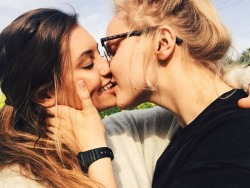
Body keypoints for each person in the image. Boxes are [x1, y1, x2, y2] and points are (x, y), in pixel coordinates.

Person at [102, 0, 250, 187]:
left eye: (113, 50)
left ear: (162, 43)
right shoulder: (183, 139)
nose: (107, 67)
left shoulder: (231, 144)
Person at [0, 8, 117, 188]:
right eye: (88, 64)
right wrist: (96, 153)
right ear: (45, 95)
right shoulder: (18, 181)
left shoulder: (125, 130)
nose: (107, 67)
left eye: (100, 54)